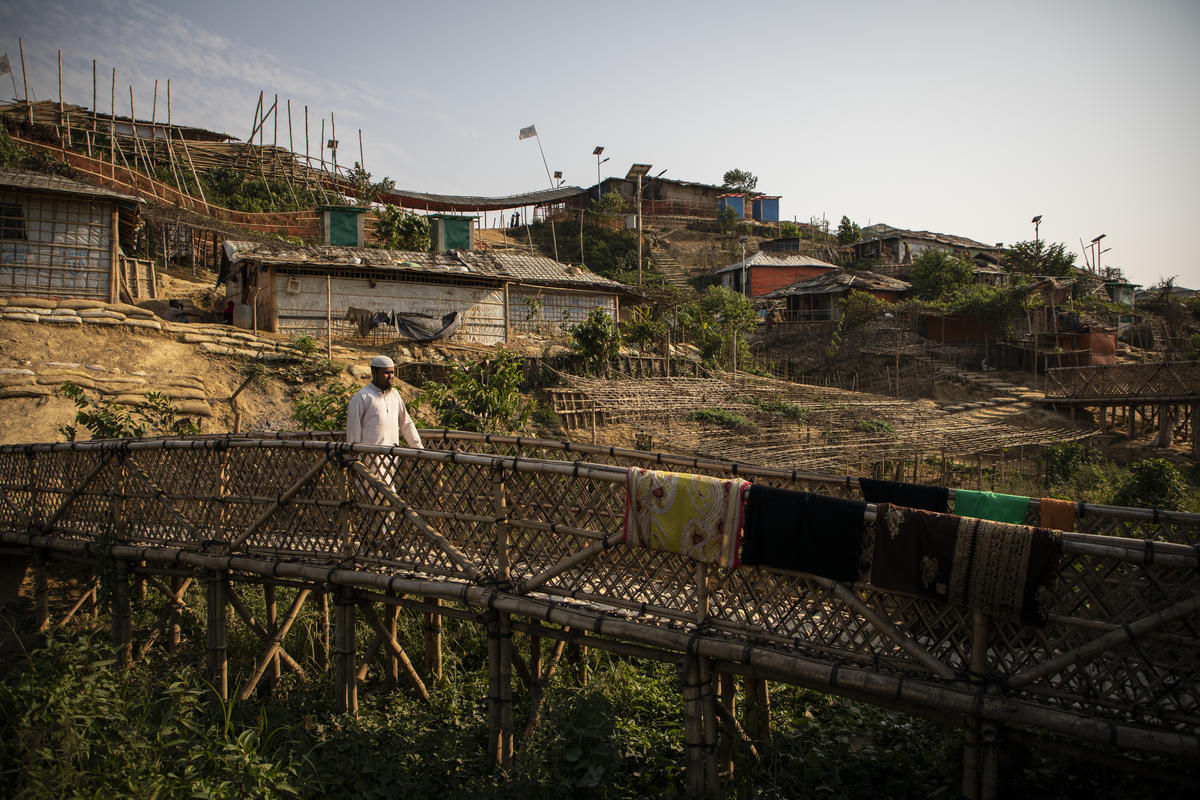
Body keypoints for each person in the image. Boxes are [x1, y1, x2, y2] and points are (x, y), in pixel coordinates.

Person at [345, 355, 423, 449]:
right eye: (386, 373)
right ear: (374, 373)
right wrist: (356, 458)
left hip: (392, 460)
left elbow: (406, 423)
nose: (390, 376)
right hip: (369, 459)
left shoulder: (395, 395)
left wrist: (418, 448)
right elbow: (353, 430)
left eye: (392, 372)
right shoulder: (362, 397)